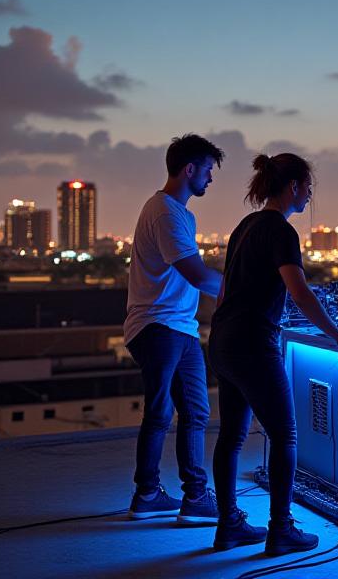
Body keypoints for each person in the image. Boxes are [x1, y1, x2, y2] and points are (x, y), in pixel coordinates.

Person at [209, 152, 338, 555]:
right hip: (252, 344)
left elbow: (226, 291)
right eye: (308, 187)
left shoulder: (246, 225)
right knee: (285, 434)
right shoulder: (280, 231)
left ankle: (228, 526)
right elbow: (300, 290)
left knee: (231, 436)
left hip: (223, 338)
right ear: (293, 186)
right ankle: (281, 530)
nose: (310, 195)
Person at [124, 134, 225, 523]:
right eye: (208, 171)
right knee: (165, 411)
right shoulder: (165, 212)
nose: (210, 180)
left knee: (193, 411)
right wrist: (242, 289)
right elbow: (197, 274)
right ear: (190, 169)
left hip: (176, 326)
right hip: (158, 324)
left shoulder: (179, 213)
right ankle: (160, 493)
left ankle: (178, 496)